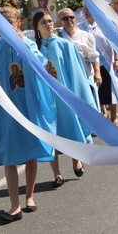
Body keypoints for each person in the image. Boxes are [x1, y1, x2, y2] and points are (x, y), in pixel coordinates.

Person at [0, 3, 57, 222]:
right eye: (0, 22)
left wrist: (25, 47)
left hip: (28, 107)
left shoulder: (29, 45)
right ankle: (14, 204)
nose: (4, 25)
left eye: (9, 21)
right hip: (6, 113)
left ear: (18, 23)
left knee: (30, 152)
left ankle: (30, 196)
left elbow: (41, 68)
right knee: (9, 157)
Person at [33, 10, 95, 186]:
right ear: (37, 27)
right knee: (51, 133)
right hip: (46, 98)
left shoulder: (65, 45)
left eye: (50, 21)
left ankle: (76, 159)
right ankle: (57, 173)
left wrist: (77, 96)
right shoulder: (34, 48)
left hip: (64, 96)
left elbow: (76, 73)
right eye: (43, 22)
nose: (48, 25)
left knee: (71, 128)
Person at [79, 6, 118, 125]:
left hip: (107, 62)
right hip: (91, 64)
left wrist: (117, 59)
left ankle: (114, 117)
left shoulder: (105, 25)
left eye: (89, 9)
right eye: (85, 9)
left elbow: (115, 43)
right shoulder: (81, 27)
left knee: (110, 90)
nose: (86, 11)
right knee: (98, 91)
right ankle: (102, 112)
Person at [57, 7, 102, 108]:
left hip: (85, 76)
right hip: (66, 78)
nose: (69, 20)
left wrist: (97, 73)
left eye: (71, 17)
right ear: (60, 22)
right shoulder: (57, 37)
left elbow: (94, 56)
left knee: (89, 107)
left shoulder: (86, 36)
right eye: (65, 18)